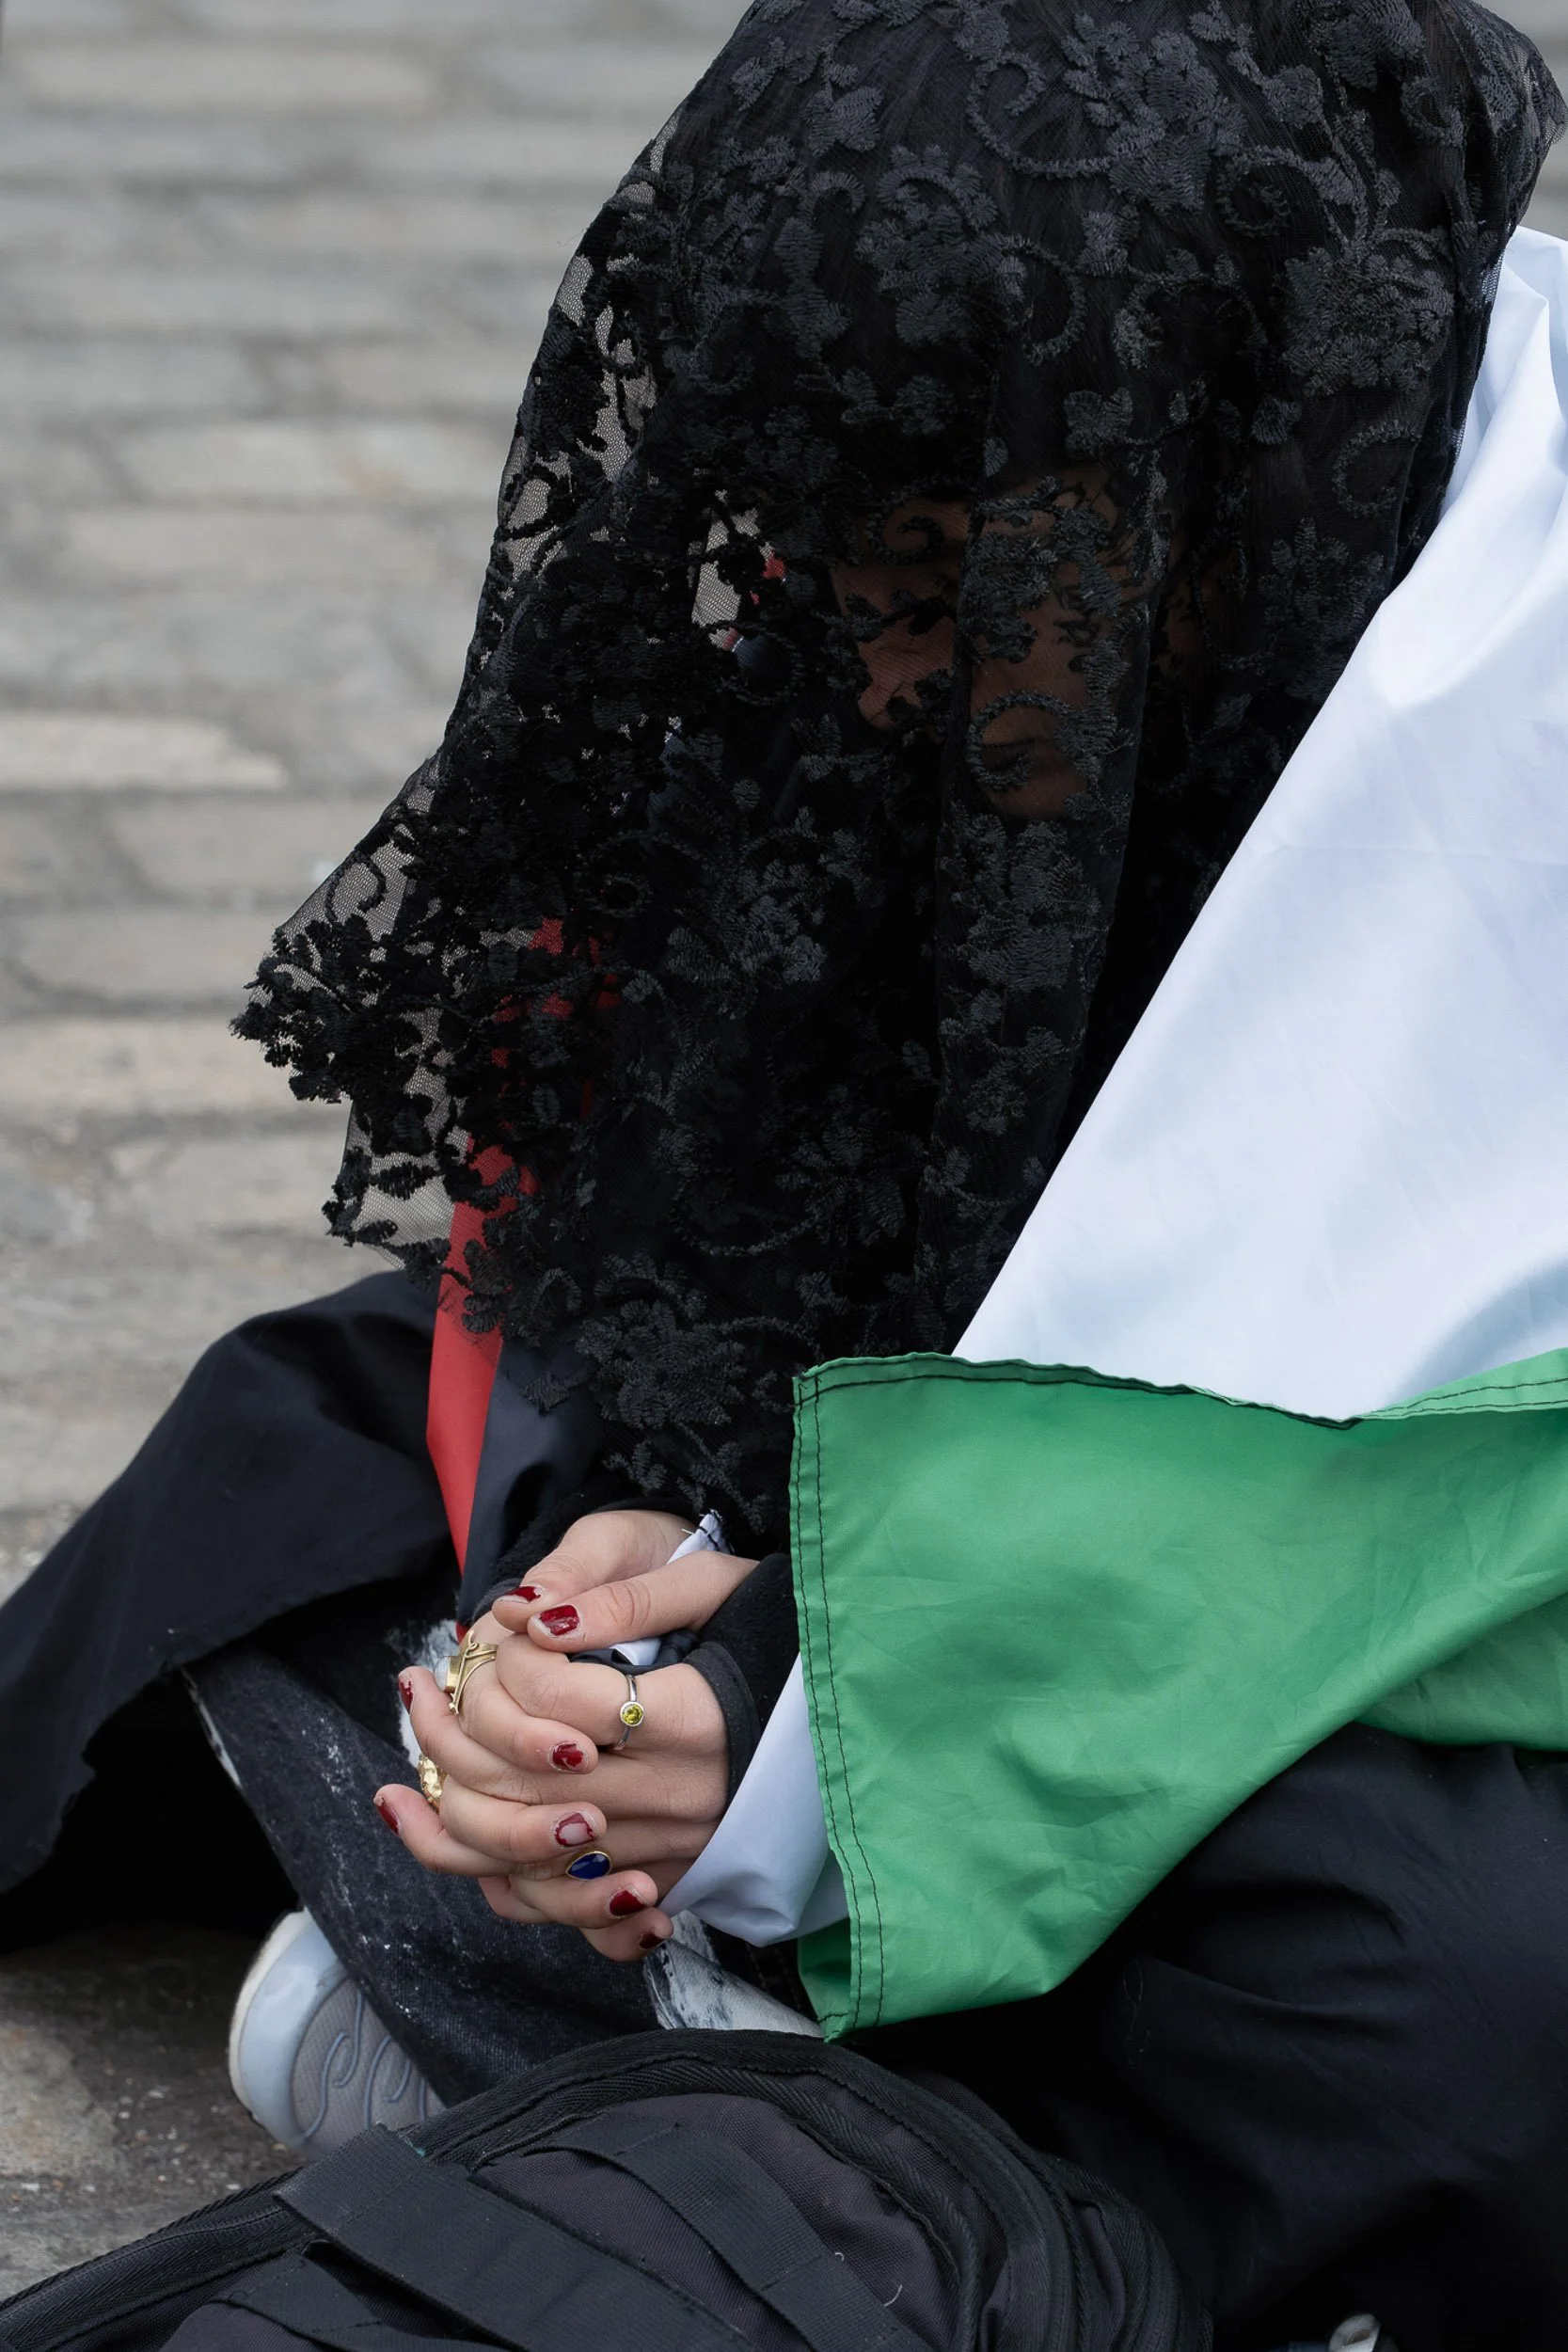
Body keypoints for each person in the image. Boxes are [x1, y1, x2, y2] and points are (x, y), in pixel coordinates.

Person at [1, 0, 1563, 2342]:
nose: (871, 669)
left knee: (1445, 1991)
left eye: (958, 581)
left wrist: (815, 1676)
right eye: (844, 566)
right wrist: (648, 1571)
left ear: (1236, 465)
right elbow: (748, 1169)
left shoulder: (1507, 678)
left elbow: (1437, 1466)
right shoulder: (898, 633)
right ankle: (698, 2029)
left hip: (1388, 1629)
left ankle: (631, 2036)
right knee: (307, 1452)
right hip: (912, 1589)